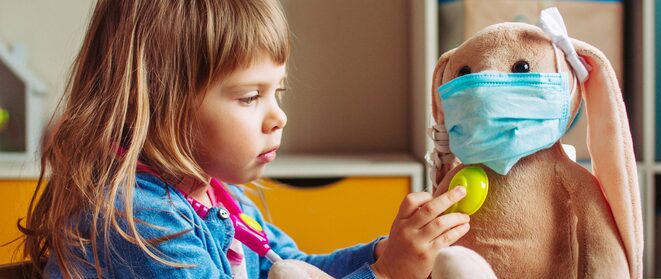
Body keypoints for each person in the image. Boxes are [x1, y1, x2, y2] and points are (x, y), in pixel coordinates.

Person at [21, 0, 470, 278]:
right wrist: (384, 275)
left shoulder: (222, 199)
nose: (279, 116)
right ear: (158, 102)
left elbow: (294, 270)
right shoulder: (139, 224)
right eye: (250, 97)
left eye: (279, 91)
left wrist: (388, 251)